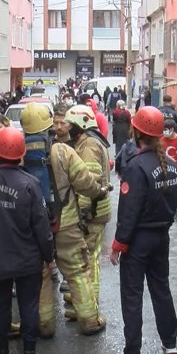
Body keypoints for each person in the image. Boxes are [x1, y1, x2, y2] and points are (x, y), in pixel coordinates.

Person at [19, 103, 109, 338]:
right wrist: (99, 192)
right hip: (67, 225)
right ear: (49, 124)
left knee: (42, 276)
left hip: (34, 230)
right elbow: (85, 183)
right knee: (78, 273)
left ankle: (45, 326)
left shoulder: (17, 152)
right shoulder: (62, 151)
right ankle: (89, 321)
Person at [109, 106, 177, 354]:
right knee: (161, 289)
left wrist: (118, 243)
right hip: (161, 236)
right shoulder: (172, 166)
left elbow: (129, 210)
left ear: (136, 131)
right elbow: (175, 204)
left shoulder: (135, 167)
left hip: (138, 240)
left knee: (132, 295)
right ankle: (170, 341)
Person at [0, 127, 53, 354]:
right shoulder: (30, 184)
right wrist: (48, 255)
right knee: (28, 305)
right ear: (21, 154)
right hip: (26, 259)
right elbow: (42, 226)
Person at [64, 104, 112, 312]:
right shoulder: (88, 142)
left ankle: (89, 305)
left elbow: (90, 183)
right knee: (89, 257)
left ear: (81, 125)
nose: (66, 128)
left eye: (70, 124)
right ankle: (84, 300)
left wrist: (82, 213)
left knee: (90, 259)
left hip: (92, 212)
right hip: (95, 210)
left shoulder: (89, 145)